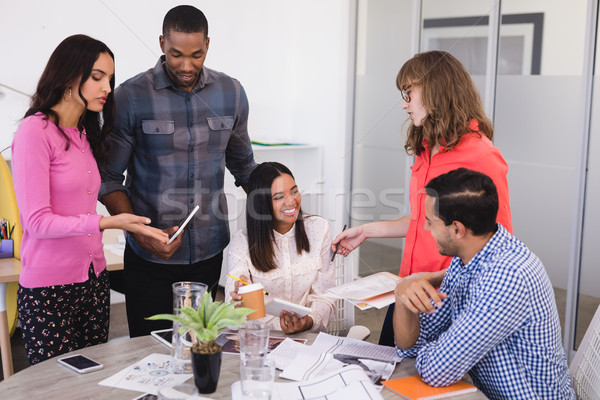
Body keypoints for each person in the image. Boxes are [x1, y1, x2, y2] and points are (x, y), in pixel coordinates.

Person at [331, 51, 513, 345]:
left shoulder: (481, 155)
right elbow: (421, 220)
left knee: (420, 380)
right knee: (388, 372)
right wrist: (366, 231)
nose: (404, 105)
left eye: (408, 93)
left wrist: (435, 278)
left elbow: (496, 248)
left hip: (443, 297)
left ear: (435, 90)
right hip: (408, 290)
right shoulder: (428, 147)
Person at [99, 6, 257, 337]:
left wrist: (278, 202)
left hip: (209, 250)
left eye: (196, 55)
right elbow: (110, 180)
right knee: (148, 350)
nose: (186, 66)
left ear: (208, 45)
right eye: (176, 55)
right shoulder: (129, 97)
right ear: (161, 44)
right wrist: (143, 234)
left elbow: (244, 166)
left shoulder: (231, 93)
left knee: (200, 345)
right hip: (148, 255)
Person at [11, 35, 168, 365]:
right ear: (69, 75)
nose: (107, 87)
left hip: (93, 282)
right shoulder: (34, 132)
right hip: (48, 290)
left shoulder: (85, 133)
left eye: (110, 78)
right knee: (57, 387)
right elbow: (36, 222)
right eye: (98, 77)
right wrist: (108, 222)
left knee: (92, 380)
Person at [394, 168, 575, 399]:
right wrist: (403, 293)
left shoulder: (506, 277)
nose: (426, 229)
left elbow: (436, 371)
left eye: (431, 222)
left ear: (458, 229)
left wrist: (439, 349)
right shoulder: (467, 259)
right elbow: (413, 345)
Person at [225, 162, 335, 334]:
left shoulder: (319, 229)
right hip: (262, 341)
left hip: (308, 339)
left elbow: (326, 296)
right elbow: (233, 319)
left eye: (294, 191)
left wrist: (308, 321)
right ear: (261, 204)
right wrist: (238, 303)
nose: (291, 201)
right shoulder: (241, 243)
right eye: (278, 197)